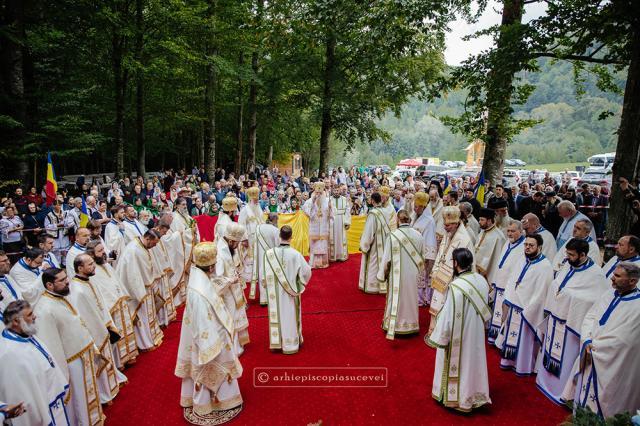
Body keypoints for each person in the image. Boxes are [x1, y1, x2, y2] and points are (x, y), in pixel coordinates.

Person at [175, 241, 243, 417]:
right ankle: (210, 402)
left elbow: (212, 288)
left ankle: (214, 399)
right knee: (212, 364)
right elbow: (202, 321)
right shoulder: (199, 291)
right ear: (212, 266)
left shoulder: (198, 276)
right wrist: (210, 345)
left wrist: (229, 280)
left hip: (208, 330)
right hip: (209, 337)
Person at [536, 238, 607, 405]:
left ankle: (561, 390)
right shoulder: (569, 265)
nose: (567, 257)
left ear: (583, 255)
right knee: (549, 350)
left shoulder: (596, 275)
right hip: (555, 318)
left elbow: (594, 302)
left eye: (571, 254)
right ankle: (544, 381)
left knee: (565, 357)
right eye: (567, 253)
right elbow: (558, 284)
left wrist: (568, 296)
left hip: (571, 324)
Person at [567, 262, 640, 418]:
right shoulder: (608, 294)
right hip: (592, 349)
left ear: (633, 281)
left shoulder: (638, 306)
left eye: (618, 276)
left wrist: (595, 347)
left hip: (611, 363)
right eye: (614, 274)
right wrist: (586, 340)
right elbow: (590, 316)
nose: (612, 278)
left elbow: (626, 340)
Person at [33, 268, 104, 426]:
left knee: (86, 395)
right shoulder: (44, 309)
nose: (67, 281)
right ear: (50, 285)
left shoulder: (60, 296)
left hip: (81, 354)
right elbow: (52, 345)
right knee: (78, 398)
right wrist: (62, 373)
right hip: (70, 361)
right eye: (63, 280)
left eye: (66, 277)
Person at [426, 248, 492, 412]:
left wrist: (440, 337)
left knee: (461, 363)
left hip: (459, 335)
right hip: (475, 333)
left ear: (456, 263)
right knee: (474, 362)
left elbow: (447, 316)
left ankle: (459, 399)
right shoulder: (482, 280)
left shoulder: (456, 286)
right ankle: (475, 395)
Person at [0, 300, 70, 426]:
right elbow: (21, 394)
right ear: (16, 321)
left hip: (52, 402)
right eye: (30, 314)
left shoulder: (25, 334)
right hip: (42, 411)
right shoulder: (9, 354)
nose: (35, 316)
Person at [69, 254, 127, 403]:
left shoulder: (89, 280)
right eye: (90, 264)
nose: (94, 265)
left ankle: (111, 387)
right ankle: (104, 394)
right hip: (94, 332)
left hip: (102, 326)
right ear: (80, 268)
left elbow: (100, 304)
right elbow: (84, 317)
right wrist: (100, 329)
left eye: (93, 262)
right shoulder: (77, 290)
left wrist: (107, 324)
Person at [496, 234, 553, 376]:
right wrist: (507, 300)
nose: (527, 247)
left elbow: (541, 293)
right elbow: (512, 280)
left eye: (531, 245)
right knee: (510, 334)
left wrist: (528, 311)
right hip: (513, 305)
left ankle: (522, 366)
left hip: (528, 311)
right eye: (526, 244)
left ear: (539, 247)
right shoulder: (522, 259)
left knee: (524, 340)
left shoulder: (545, 266)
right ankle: (508, 361)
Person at [85, 240, 138, 369]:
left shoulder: (105, 264)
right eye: (100, 251)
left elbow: (116, 281)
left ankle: (129, 354)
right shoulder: (92, 272)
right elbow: (100, 293)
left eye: (103, 249)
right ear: (91, 255)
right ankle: (119, 361)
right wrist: (113, 302)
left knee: (125, 328)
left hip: (119, 301)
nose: (104, 253)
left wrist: (123, 296)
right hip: (111, 307)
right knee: (116, 332)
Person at [264, 225, 312, 354]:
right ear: (291, 237)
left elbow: (265, 276)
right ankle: (290, 344)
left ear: (279, 236)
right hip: (290, 293)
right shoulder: (296, 254)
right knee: (290, 316)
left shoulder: (269, 254)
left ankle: (278, 343)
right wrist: (300, 283)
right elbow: (307, 271)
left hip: (275, 293)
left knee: (278, 315)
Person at [378, 210, 424, 339]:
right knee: (411, 298)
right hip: (413, 274)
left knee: (397, 298)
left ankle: (396, 326)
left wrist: (383, 275)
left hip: (396, 275)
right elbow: (422, 256)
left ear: (398, 220)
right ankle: (412, 325)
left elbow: (386, 258)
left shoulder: (393, 236)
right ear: (409, 220)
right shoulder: (418, 235)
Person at [428, 206, 474, 334]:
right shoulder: (448, 235)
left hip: (453, 279)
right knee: (437, 304)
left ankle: (444, 334)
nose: (445, 227)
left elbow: (465, 264)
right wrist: (435, 270)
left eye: (448, 225)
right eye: (444, 224)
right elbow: (441, 254)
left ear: (456, 223)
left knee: (448, 307)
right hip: (441, 276)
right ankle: (435, 332)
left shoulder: (464, 239)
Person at [116, 229, 164, 351]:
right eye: (154, 243)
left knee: (148, 315)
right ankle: (145, 343)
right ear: (148, 239)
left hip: (145, 286)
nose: (155, 246)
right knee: (142, 316)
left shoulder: (142, 246)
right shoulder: (134, 251)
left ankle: (151, 337)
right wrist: (141, 291)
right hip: (137, 290)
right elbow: (132, 275)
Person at [488, 219, 525, 345]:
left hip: (509, 287)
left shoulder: (523, 246)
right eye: (508, 231)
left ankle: (502, 340)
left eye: (513, 231)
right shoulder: (508, 243)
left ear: (521, 231)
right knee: (497, 312)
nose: (509, 234)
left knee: (505, 315)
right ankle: (495, 337)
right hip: (500, 283)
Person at [216, 223, 250, 356]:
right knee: (230, 318)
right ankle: (232, 349)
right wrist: (231, 280)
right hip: (227, 293)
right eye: (236, 243)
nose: (238, 246)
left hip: (233, 290)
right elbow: (217, 278)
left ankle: (237, 344)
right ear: (230, 240)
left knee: (235, 316)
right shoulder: (220, 253)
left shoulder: (227, 248)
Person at [358, 192, 390, 294]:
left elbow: (369, 232)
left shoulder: (373, 213)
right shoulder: (386, 211)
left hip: (375, 243)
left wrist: (364, 245)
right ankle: (383, 285)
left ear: (372, 201)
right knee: (382, 262)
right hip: (385, 242)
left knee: (373, 263)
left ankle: (373, 286)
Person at [411, 192, 437, 306]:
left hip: (423, 254)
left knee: (423, 276)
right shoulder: (414, 217)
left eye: (417, 206)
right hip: (413, 252)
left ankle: (423, 299)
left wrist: (427, 257)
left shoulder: (429, 221)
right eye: (414, 206)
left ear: (424, 207)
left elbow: (430, 240)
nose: (414, 208)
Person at [250, 212, 280, 305]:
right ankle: (272, 298)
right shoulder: (275, 230)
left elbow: (254, 242)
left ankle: (263, 299)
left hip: (260, 256)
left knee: (261, 274)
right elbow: (278, 245)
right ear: (275, 220)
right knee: (271, 276)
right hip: (271, 257)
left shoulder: (258, 228)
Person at [302, 182, 332, 269]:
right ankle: (313, 263)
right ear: (314, 192)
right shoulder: (309, 201)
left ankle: (324, 262)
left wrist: (330, 208)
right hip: (314, 227)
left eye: (320, 193)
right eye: (317, 193)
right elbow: (307, 213)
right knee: (314, 244)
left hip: (323, 227)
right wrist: (313, 202)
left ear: (323, 192)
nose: (318, 195)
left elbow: (331, 215)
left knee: (323, 244)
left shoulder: (327, 201)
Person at [473, 208, 506, 280]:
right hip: (475, 268)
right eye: (479, 219)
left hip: (488, 270)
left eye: (482, 220)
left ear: (489, 221)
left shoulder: (499, 237)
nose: (479, 222)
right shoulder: (482, 231)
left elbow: (496, 258)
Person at [45, 200, 73, 264]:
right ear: (53, 206)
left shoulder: (66, 213)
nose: (58, 206)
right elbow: (46, 226)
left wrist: (63, 220)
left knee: (65, 251)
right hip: (55, 236)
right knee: (56, 251)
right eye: (57, 205)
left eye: (60, 205)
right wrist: (57, 225)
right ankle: (57, 264)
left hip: (64, 234)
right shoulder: (49, 215)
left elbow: (69, 224)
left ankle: (65, 263)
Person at [329, 184, 351, 262]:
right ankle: (333, 256)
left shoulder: (344, 199)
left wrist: (347, 222)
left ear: (340, 190)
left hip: (342, 220)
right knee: (332, 237)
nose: (336, 192)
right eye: (334, 190)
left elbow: (347, 211)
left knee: (341, 237)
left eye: (337, 190)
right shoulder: (329, 199)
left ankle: (342, 255)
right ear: (332, 191)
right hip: (332, 221)